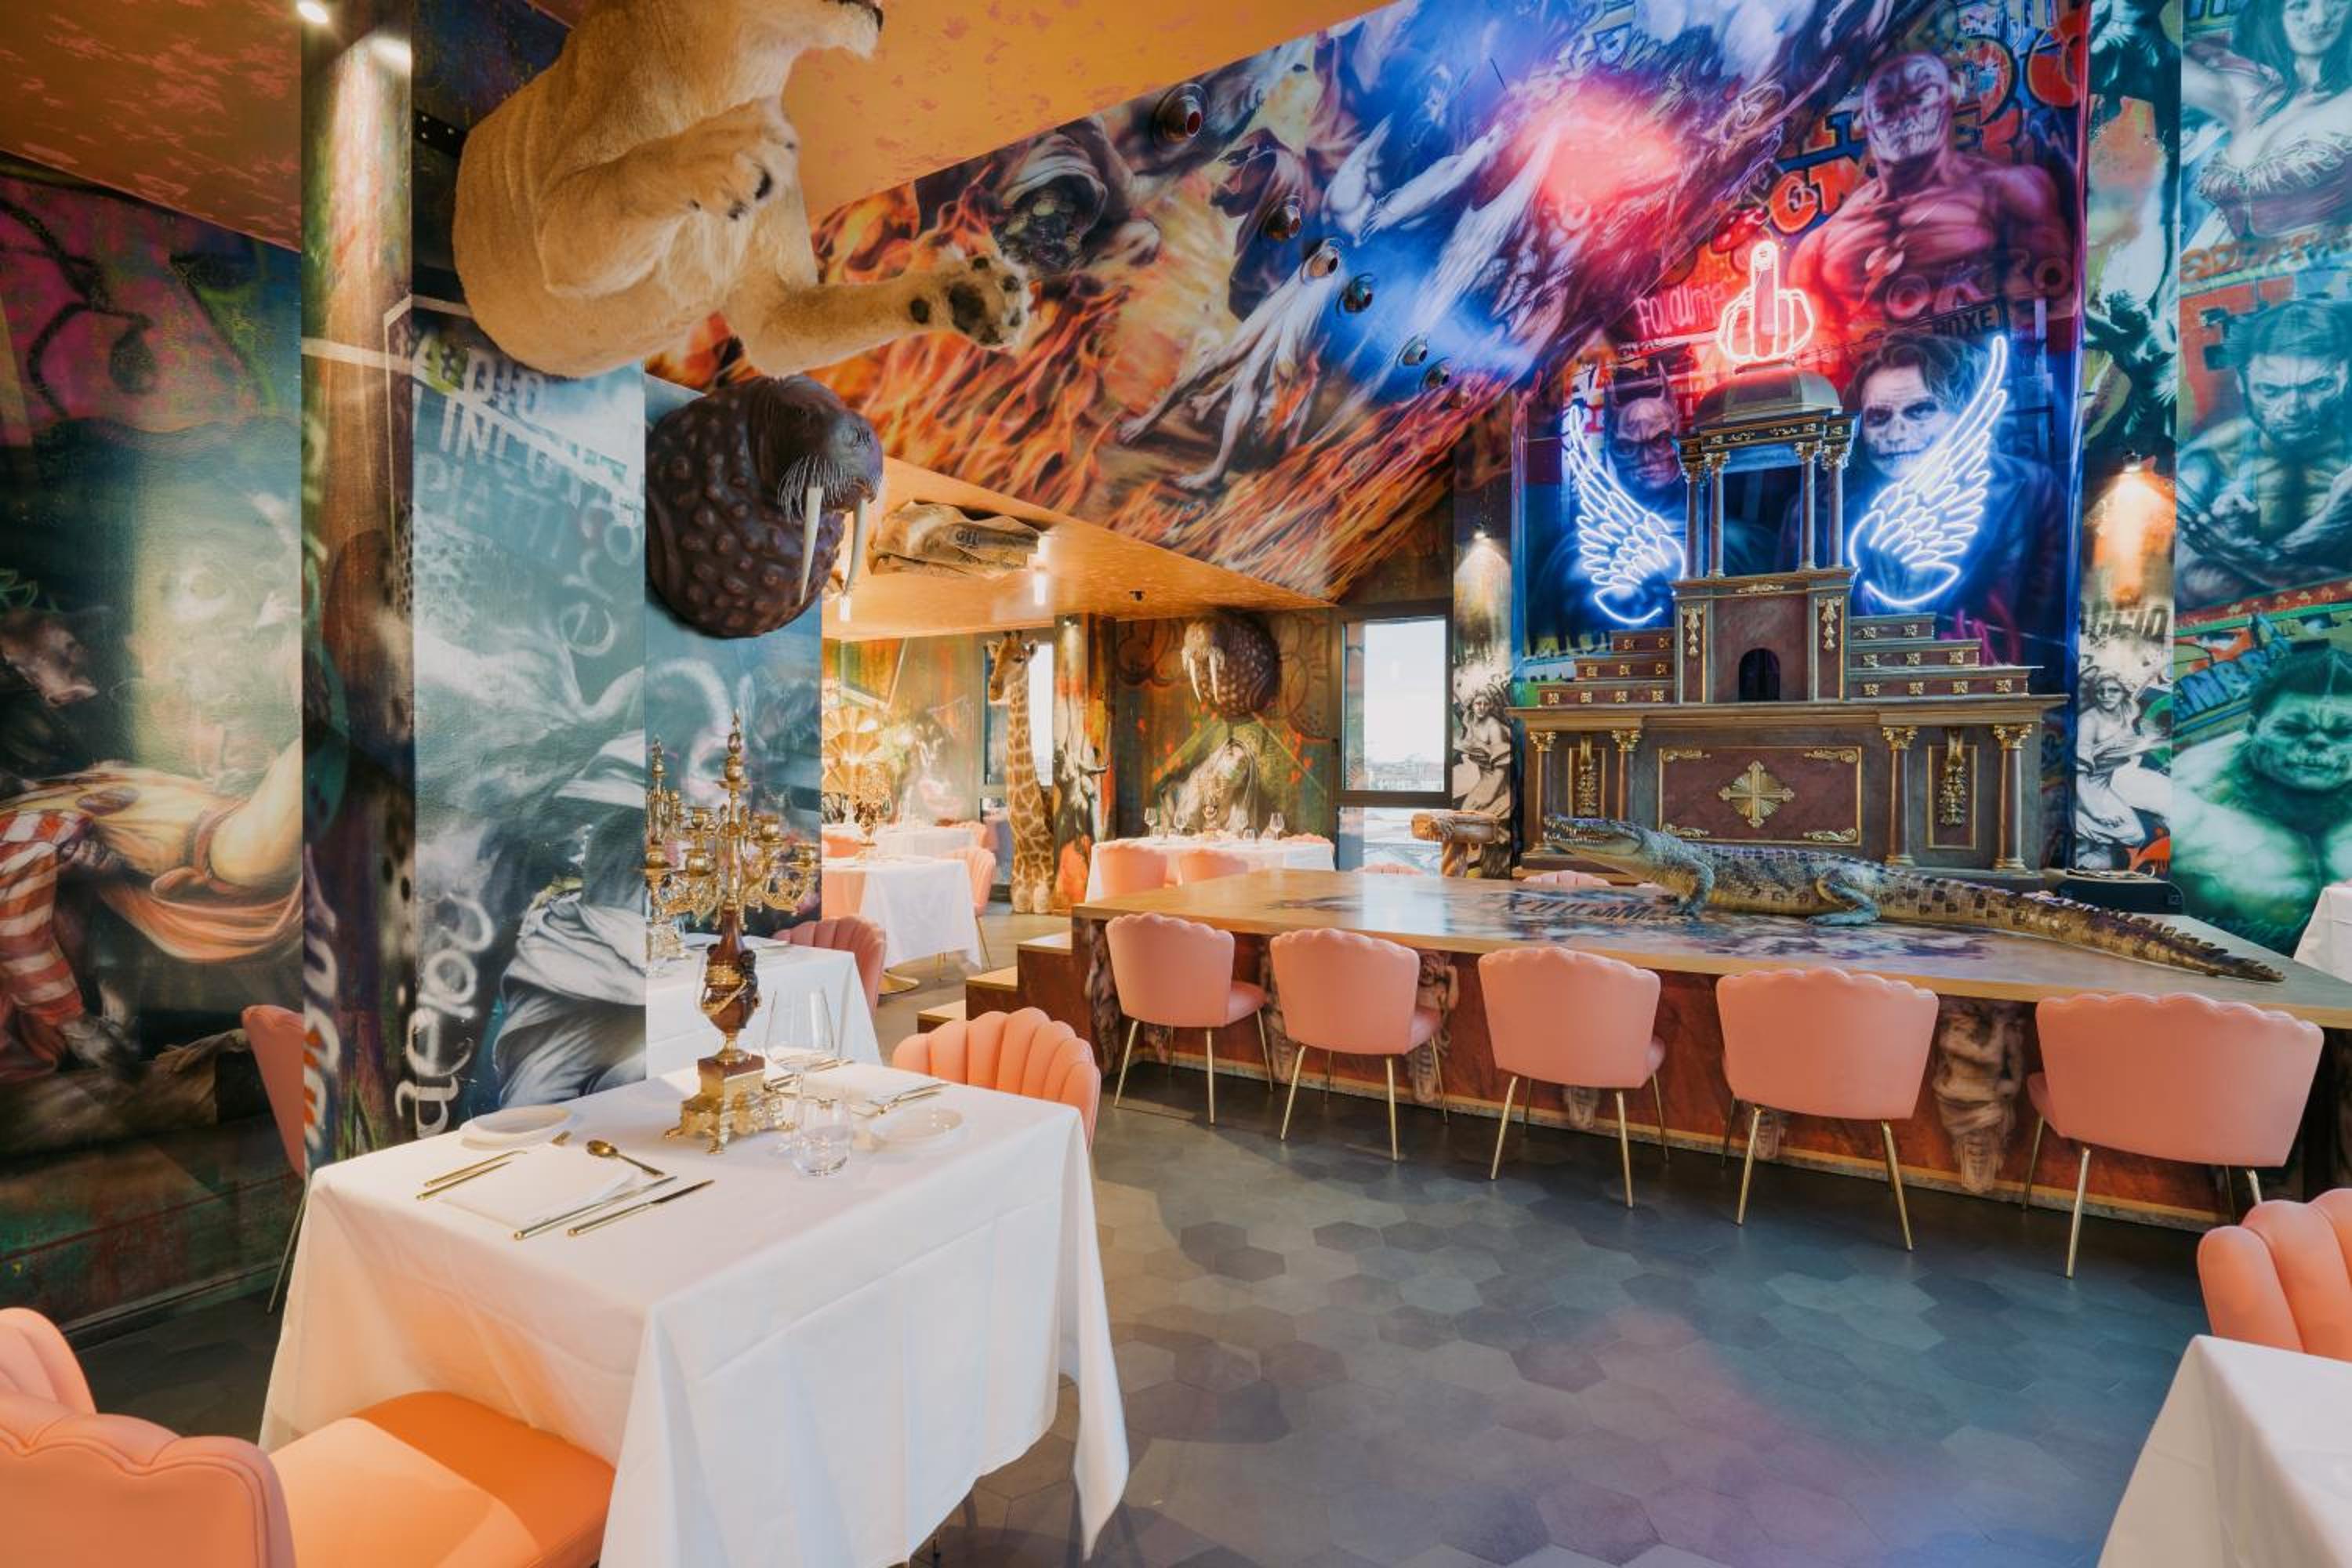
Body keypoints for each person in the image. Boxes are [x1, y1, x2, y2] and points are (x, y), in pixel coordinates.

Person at [1788, 53, 2073, 336]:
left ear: (1949, 100)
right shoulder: (1821, 244)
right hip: (1877, 365)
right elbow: (1818, 343)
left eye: (1919, 98)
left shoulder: (2007, 190)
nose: (1905, 117)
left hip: (1979, 360)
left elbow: (2057, 301)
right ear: (1866, 121)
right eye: (1887, 107)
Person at [1838, 334, 2062, 658]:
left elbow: (2046, 624)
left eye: (1920, 411)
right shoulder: (1822, 511)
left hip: (1985, 683)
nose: (1896, 433)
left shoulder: (2032, 488)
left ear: (1964, 412)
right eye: (1878, 417)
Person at [2170, 643, 2352, 953]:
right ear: (2253, 728)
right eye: (2292, 728)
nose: (2316, 744)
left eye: (2344, 732)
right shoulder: (2192, 791)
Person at [2176, 298, 2352, 610]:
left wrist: (2236, 553)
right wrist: (2321, 530)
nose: (2294, 409)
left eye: (2318, 385)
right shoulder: (2208, 463)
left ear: (2346, 375)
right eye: (2271, 390)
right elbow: (2193, 589)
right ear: (2242, 382)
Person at [2185, 0, 2352, 238]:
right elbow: (2153, 57)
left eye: (2336, 3)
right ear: (2274, 12)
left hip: (2327, 258)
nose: (2319, 19)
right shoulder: (2250, 96)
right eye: (2300, 5)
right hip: (2220, 256)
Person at [2073, 669, 2169, 867]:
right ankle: (2083, 860)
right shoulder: (2089, 722)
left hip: (2104, 785)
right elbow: (2079, 777)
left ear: (2123, 693)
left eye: (2113, 690)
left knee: (2134, 835)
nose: (2106, 696)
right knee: (2091, 838)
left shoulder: (2129, 709)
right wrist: (2096, 812)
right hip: (2086, 790)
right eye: (2100, 691)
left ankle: (2094, 858)